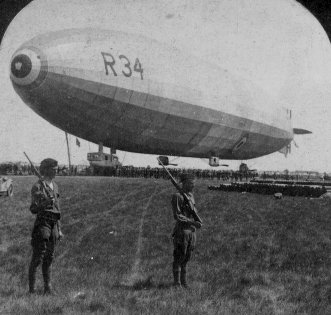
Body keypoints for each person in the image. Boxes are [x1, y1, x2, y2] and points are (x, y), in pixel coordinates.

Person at [28, 158, 63, 294]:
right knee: (38, 256)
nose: (56, 171)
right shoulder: (37, 186)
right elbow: (33, 209)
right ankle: (32, 290)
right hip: (43, 223)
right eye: (54, 169)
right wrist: (46, 202)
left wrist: (59, 229)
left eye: (56, 169)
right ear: (46, 169)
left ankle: (48, 288)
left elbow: (57, 209)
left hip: (53, 223)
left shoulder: (55, 185)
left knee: (50, 256)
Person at [171, 173, 202, 288]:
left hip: (192, 231)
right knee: (179, 256)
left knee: (187, 257)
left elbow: (194, 212)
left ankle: (184, 282)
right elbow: (178, 215)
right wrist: (192, 222)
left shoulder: (190, 196)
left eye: (194, 183)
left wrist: (196, 222)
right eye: (190, 183)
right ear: (184, 183)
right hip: (182, 231)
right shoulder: (178, 196)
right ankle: (176, 283)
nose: (193, 186)